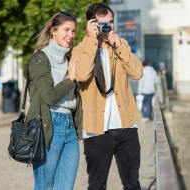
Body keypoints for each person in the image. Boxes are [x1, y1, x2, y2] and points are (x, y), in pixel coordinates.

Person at [70, 3, 143, 190]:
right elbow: (82, 75)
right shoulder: (80, 49)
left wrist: (120, 47)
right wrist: (91, 40)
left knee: (133, 184)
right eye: (103, 23)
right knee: (97, 186)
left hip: (126, 125)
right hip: (96, 129)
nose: (108, 27)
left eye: (111, 22)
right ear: (91, 24)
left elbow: (137, 73)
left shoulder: (121, 45)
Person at [23, 11, 82, 190]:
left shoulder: (69, 59)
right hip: (48, 124)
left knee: (65, 187)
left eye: (73, 31)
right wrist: (70, 79)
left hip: (69, 127)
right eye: (66, 30)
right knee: (45, 185)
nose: (70, 35)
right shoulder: (40, 60)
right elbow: (49, 96)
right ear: (53, 30)